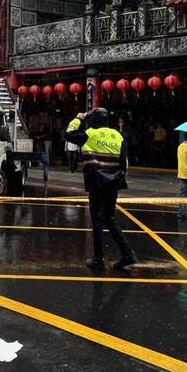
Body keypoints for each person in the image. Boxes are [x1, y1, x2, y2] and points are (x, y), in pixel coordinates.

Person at [66, 108, 138, 272]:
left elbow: (69, 134)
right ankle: (128, 254)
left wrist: (78, 118)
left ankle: (98, 259)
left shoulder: (89, 134)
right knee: (109, 218)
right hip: (113, 183)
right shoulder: (117, 136)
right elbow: (123, 163)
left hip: (96, 181)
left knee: (97, 219)